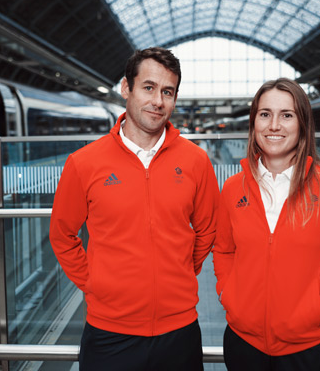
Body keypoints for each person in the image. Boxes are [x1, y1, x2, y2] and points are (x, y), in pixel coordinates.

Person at [49, 47, 220, 371]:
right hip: (108, 333)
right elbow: (62, 235)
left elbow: (208, 228)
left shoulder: (196, 161)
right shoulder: (84, 163)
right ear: (127, 89)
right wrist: (95, 282)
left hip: (179, 330)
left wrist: (180, 270)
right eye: (149, 87)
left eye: (167, 92)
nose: (158, 101)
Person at [213, 78, 320, 370]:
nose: (274, 125)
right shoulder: (232, 188)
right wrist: (228, 295)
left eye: (286, 115)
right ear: (254, 124)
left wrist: (319, 310)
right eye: (265, 114)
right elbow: (224, 251)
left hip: (308, 351)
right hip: (243, 345)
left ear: (302, 124)